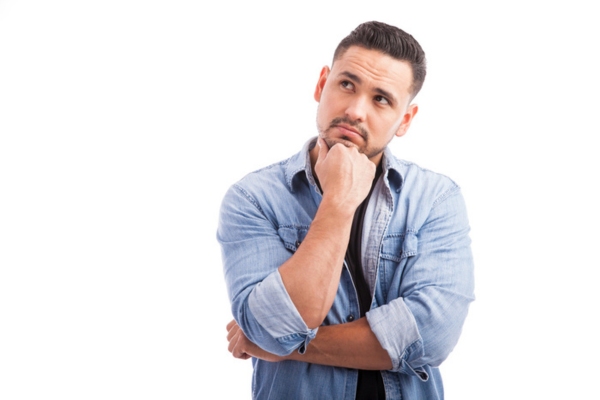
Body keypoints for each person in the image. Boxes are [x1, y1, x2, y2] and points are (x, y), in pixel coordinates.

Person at [217, 21, 474, 400]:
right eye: (347, 85)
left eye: (381, 99)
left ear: (405, 119)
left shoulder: (436, 199)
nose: (355, 110)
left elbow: (432, 334)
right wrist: (337, 202)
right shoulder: (254, 198)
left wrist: (288, 344)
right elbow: (269, 328)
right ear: (322, 84)